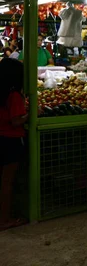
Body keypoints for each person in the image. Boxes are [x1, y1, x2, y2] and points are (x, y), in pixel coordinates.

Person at [0, 58, 28, 231]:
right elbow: (16, 121)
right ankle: (5, 220)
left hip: (0, 137)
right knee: (7, 182)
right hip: (11, 141)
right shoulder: (15, 95)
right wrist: (31, 113)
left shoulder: (1, 92)